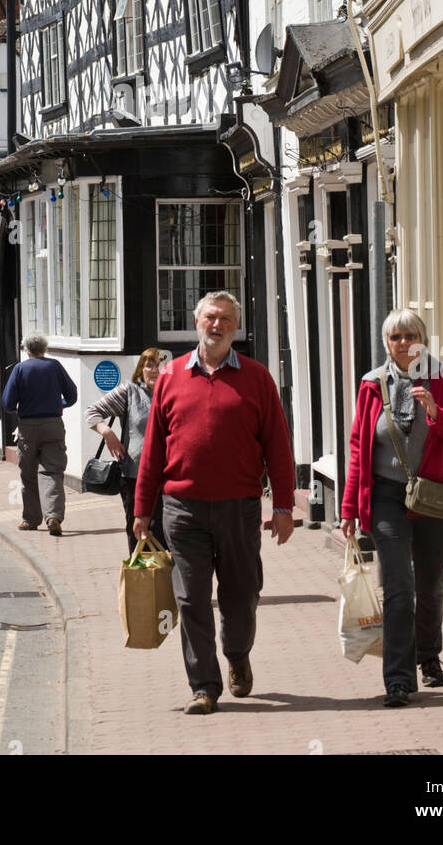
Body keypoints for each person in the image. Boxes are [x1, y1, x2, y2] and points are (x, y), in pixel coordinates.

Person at [134, 291, 295, 715]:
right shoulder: (170, 376)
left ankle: (237, 655)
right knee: (190, 599)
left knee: (242, 596)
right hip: (181, 509)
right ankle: (204, 686)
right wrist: (142, 510)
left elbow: (278, 447)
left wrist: (283, 507)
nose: (217, 324)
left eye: (225, 319)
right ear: (196, 321)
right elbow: (152, 450)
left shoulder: (257, 378)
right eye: (210, 317)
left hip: (239, 508)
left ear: (235, 327)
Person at [340, 308, 443, 709]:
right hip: (386, 498)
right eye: (396, 337)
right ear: (386, 342)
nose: (403, 343)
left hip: (434, 497)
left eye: (410, 335)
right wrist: (348, 508)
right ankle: (398, 680)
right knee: (398, 586)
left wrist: (436, 412)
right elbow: (358, 448)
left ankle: (428, 656)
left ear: (423, 339)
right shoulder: (371, 385)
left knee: (430, 584)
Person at [85, 347, 169, 555]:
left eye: (159, 366)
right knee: (139, 532)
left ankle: (164, 581)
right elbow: (92, 412)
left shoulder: (172, 393)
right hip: (135, 475)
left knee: (165, 533)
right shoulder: (129, 391)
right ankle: (140, 581)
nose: (154, 371)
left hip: (168, 476)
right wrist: (107, 432)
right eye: (149, 365)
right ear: (141, 369)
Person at [2, 332, 77, 537]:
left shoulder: (20, 369)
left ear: (26, 350)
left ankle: (31, 519)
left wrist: (20, 409)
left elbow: (8, 403)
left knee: (28, 473)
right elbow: (72, 395)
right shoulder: (54, 366)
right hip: (53, 424)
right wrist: (58, 404)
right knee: (52, 471)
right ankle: (53, 516)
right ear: (44, 349)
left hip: (28, 425)